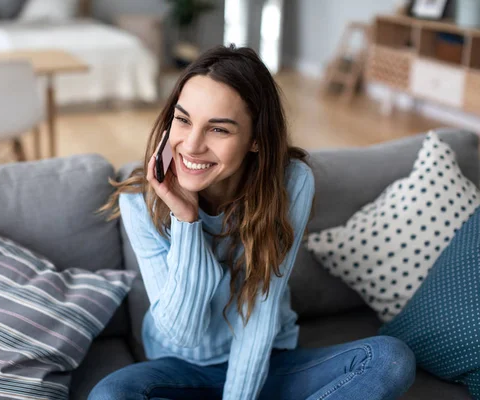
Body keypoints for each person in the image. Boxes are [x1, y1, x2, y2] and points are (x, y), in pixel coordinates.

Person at [91, 45, 416, 400]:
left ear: (256, 139)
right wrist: (186, 221)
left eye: (219, 130)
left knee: (390, 359)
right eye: (183, 120)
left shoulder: (291, 182)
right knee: (110, 394)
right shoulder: (140, 198)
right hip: (180, 369)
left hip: (268, 362)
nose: (191, 145)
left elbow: (259, 314)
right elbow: (182, 334)